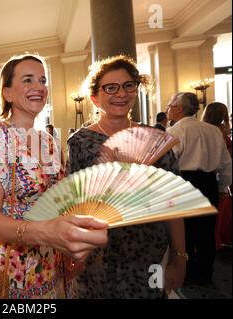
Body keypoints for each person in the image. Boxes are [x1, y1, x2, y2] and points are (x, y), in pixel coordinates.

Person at [0, 53, 108, 299]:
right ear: (7, 93)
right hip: (13, 265)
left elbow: (60, 199)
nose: (38, 87)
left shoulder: (48, 141)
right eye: (28, 80)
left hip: (52, 257)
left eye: (43, 80)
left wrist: (69, 248)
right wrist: (42, 232)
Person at [67, 55, 186, 298]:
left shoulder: (155, 137)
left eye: (128, 85)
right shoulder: (80, 142)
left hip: (147, 252)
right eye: (110, 87)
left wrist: (179, 256)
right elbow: (74, 204)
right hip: (99, 256)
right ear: (95, 97)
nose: (120, 93)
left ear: (135, 90)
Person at [167, 94, 232, 284]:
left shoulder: (176, 131)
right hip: (209, 183)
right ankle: (204, 274)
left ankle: (186, 274)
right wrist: (221, 187)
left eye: (170, 105)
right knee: (206, 232)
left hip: (184, 182)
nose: (168, 108)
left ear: (179, 109)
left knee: (184, 231)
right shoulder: (213, 131)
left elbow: (169, 163)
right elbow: (226, 163)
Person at [202, 102, 232, 250]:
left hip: (206, 174)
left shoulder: (202, 129)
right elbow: (226, 160)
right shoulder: (219, 131)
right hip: (217, 174)